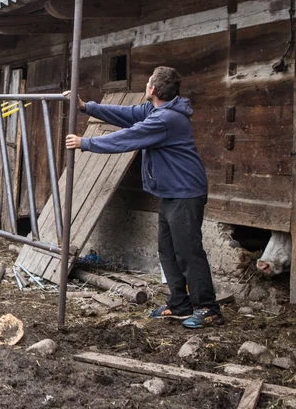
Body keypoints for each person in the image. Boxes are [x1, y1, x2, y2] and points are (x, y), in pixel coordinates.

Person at [64, 66, 222, 329]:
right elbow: (126, 115)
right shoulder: (156, 110)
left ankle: (208, 307)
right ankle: (179, 304)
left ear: (153, 90)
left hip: (186, 193)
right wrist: (85, 106)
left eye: (148, 82)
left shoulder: (165, 119)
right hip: (171, 193)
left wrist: (86, 143)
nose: (146, 85)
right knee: (168, 251)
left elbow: (128, 137)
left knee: (188, 252)